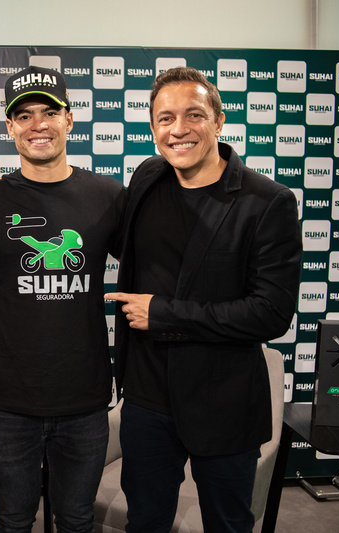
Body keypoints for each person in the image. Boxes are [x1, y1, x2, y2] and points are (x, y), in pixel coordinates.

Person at [105, 66, 302, 533]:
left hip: (224, 403)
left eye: (194, 114)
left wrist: (163, 313)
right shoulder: (147, 177)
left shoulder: (267, 201)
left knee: (227, 525)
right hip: (146, 399)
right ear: (153, 127)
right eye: (165, 118)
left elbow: (271, 313)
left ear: (218, 120)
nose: (179, 129)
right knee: (144, 522)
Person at [0, 66, 126, 533]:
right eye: (24, 115)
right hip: (8, 399)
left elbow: (155, 265)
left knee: (76, 519)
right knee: (12, 519)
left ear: (69, 119)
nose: (38, 124)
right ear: (9, 126)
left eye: (49, 112)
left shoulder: (108, 195)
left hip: (84, 397)